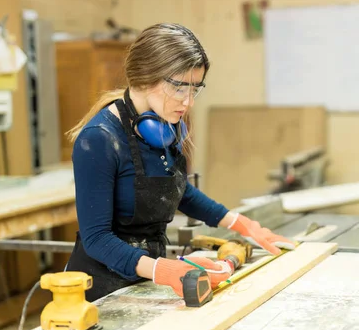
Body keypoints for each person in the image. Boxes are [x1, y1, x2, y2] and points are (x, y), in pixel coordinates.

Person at [64, 23, 296, 302]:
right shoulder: (99, 139)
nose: (188, 102)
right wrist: (164, 269)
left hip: (147, 279)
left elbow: (177, 189)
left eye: (194, 89)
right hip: (101, 289)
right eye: (179, 88)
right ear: (146, 77)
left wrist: (243, 224)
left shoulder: (162, 127)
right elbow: (97, 239)